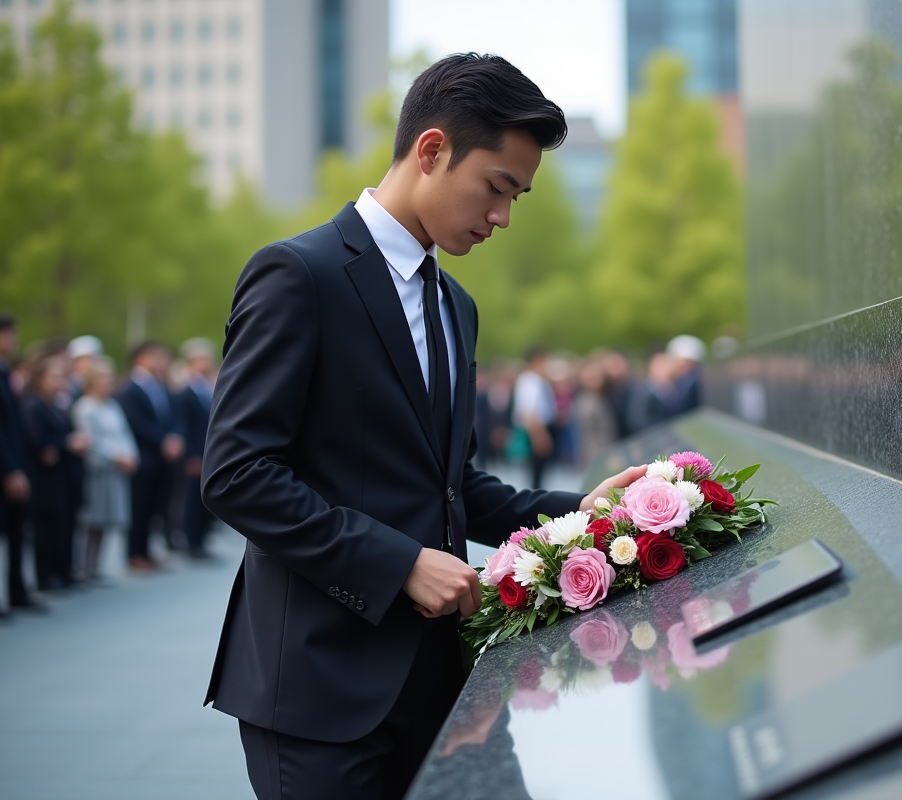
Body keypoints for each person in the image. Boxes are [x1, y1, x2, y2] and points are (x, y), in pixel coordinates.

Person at [200, 53, 647, 800]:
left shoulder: (455, 305)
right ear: (432, 150)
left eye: (518, 197)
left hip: (444, 678)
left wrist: (578, 514)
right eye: (497, 188)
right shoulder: (296, 274)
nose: (503, 216)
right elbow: (236, 473)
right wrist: (397, 563)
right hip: (319, 685)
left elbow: (450, 483)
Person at [117, 341, 185, 570]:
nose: (162, 362)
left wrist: (175, 436)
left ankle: (147, 550)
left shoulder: (161, 386)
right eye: (156, 357)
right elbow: (137, 423)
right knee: (139, 507)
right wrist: (163, 441)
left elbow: (172, 417)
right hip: (142, 457)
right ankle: (135, 553)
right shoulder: (130, 389)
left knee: (155, 507)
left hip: (162, 458)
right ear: (141, 358)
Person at [22, 357, 89, 590]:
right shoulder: (35, 406)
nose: (61, 381)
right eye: (55, 376)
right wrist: (67, 443)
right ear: (40, 379)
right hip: (46, 479)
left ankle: (64, 570)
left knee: (66, 525)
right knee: (47, 528)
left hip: (65, 475)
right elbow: (39, 442)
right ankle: (46, 575)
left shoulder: (59, 405)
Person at [71, 356, 138, 582]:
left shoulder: (112, 405)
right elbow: (91, 440)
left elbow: (125, 434)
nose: (108, 382)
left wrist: (130, 454)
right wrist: (115, 456)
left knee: (107, 519)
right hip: (97, 471)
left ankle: (95, 566)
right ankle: (81, 566)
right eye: (103, 377)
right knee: (92, 518)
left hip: (115, 471)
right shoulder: (84, 407)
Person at [0, 315, 43, 615]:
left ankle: (17, 591)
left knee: (16, 533)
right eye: (8, 335)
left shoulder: (5, 372)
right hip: (5, 468)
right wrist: (10, 469)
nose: (13, 340)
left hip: (16, 464)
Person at [176, 338, 217, 559]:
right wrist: (191, 456)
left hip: (207, 452)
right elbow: (185, 427)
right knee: (192, 499)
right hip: (195, 453)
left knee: (204, 500)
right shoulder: (186, 392)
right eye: (203, 359)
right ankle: (191, 541)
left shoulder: (207, 387)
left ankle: (201, 540)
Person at [512, 347, 556, 489]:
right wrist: (539, 437)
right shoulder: (530, 381)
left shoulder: (535, 380)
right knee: (536, 473)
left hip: (537, 428)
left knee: (538, 473)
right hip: (536, 429)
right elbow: (529, 412)